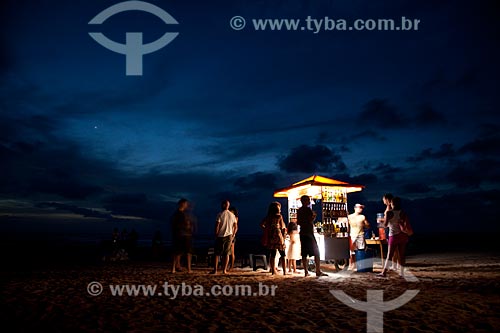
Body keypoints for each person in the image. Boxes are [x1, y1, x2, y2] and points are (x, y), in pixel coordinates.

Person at [297, 195, 328, 277]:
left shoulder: (299, 210)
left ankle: (306, 272)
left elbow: (298, 222)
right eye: (308, 200)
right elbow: (310, 220)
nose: (309, 201)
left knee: (304, 253)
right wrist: (313, 216)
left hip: (302, 233)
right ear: (305, 201)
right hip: (309, 233)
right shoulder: (308, 210)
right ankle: (318, 270)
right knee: (316, 252)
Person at [378, 197, 409, 277]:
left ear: (392, 203)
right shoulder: (403, 213)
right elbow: (405, 224)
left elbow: (385, 225)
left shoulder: (389, 213)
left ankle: (384, 272)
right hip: (402, 235)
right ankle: (402, 273)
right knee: (402, 255)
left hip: (393, 235)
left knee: (389, 255)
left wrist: (381, 221)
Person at [211, 200, 237, 274]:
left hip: (220, 235)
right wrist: (233, 234)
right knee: (226, 254)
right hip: (229, 235)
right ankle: (224, 270)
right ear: (228, 206)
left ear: (223, 205)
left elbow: (217, 226)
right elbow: (235, 226)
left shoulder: (220, 214)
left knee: (217, 253)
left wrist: (216, 234)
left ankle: (215, 270)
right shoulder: (232, 215)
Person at [260, 202, 287, 275]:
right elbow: (283, 226)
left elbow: (261, 224)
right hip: (278, 235)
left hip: (271, 235)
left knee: (273, 254)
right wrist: (283, 234)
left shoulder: (268, 217)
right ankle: (284, 271)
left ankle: (273, 271)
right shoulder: (279, 216)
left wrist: (267, 229)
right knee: (282, 254)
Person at [171, 198, 193, 273]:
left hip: (178, 234)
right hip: (183, 235)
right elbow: (183, 225)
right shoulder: (180, 214)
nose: (187, 205)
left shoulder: (177, 213)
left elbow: (173, 225)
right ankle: (189, 269)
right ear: (182, 204)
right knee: (187, 252)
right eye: (186, 204)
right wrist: (188, 226)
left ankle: (174, 268)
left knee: (178, 252)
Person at [348, 203, 371, 270]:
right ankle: (351, 265)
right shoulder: (350, 216)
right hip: (352, 235)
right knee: (351, 251)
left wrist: (366, 224)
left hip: (360, 235)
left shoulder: (362, 217)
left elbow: (367, 225)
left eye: (361, 208)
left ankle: (360, 265)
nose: (361, 209)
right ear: (355, 208)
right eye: (359, 207)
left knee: (361, 250)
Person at [228, 206, 239, 271]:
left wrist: (233, 235)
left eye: (231, 211)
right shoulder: (230, 217)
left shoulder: (235, 218)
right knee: (227, 252)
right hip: (229, 234)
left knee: (232, 252)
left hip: (232, 235)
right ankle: (228, 265)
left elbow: (236, 227)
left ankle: (231, 266)